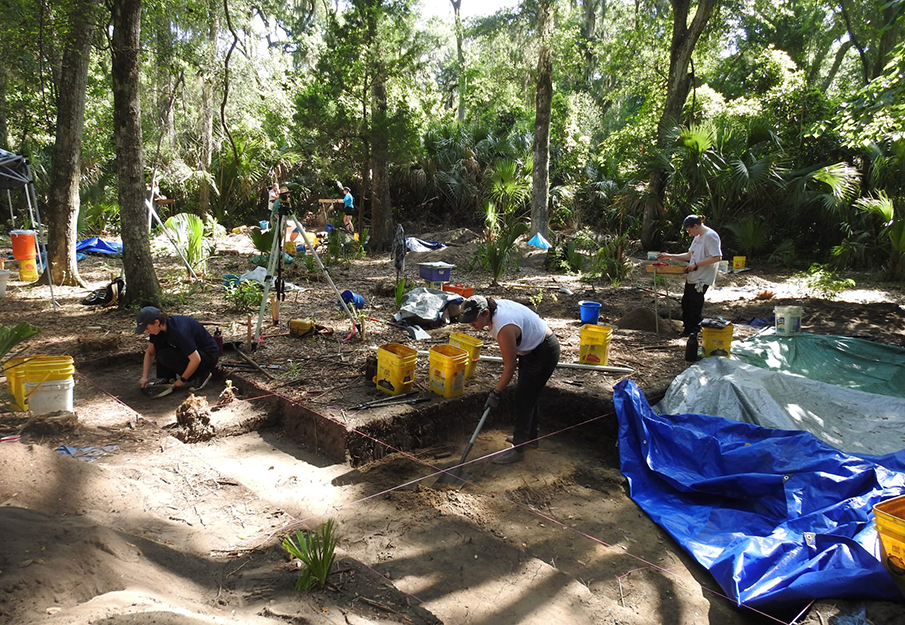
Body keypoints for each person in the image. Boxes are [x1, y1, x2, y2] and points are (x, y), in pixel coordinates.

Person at [458, 295, 560, 464]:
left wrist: (496, 393)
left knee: (524, 398)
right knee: (529, 394)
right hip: (533, 349)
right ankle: (530, 438)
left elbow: (510, 366)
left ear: (485, 313)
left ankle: (519, 449)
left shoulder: (504, 326)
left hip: (544, 352)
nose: (471, 325)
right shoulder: (494, 311)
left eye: (474, 320)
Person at [658, 214, 722, 337]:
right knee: (686, 303)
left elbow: (717, 257)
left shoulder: (710, 236)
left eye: (689, 230)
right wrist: (670, 256)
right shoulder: (697, 237)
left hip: (702, 278)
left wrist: (697, 264)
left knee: (694, 305)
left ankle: (693, 331)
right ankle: (687, 328)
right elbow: (689, 255)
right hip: (693, 276)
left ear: (696, 226)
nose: (689, 233)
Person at [136, 307, 219, 398]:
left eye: (147, 328)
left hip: (207, 356)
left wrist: (183, 379)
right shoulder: (158, 330)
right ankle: (168, 378)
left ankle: (202, 374)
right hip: (195, 354)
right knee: (161, 350)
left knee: (169, 355)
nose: (146, 331)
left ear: (157, 322)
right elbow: (150, 353)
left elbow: (196, 359)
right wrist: (145, 377)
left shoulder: (179, 331)